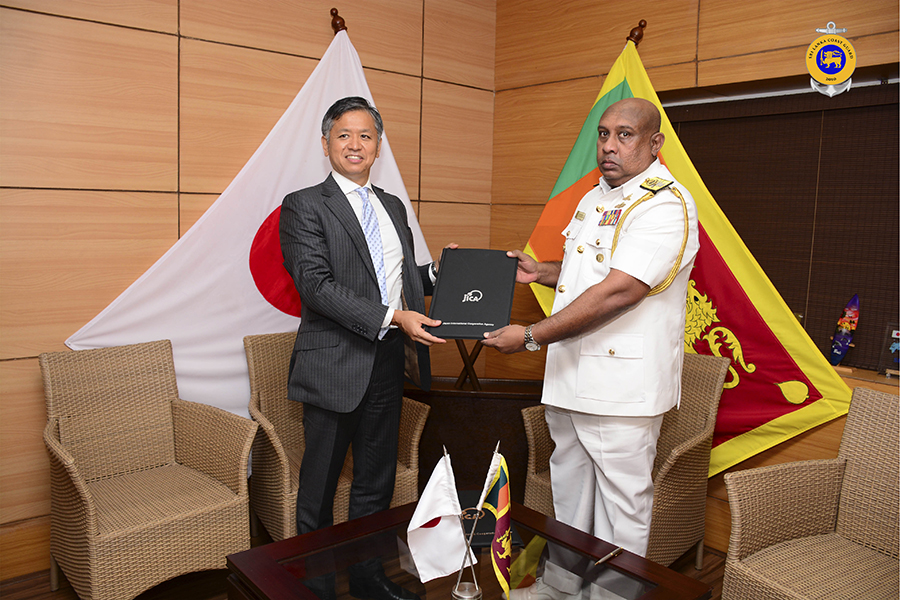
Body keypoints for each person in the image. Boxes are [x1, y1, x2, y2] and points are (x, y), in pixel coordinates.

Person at [482, 98, 699, 600]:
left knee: (623, 505)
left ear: (654, 144)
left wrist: (532, 336)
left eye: (625, 135)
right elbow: (590, 273)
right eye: (603, 135)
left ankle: (613, 597)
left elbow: (621, 290)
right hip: (569, 373)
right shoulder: (596, 196)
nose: (608, 146)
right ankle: (560, 586)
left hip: (620, 387)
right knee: (571, 491)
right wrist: (543, 272)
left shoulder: (664, 203)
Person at [280, 96, 447, 600]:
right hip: (334, 364)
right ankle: (318, 589)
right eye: (344, 135)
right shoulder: (304, 204)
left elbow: (394, 282)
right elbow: (316, 285)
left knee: (374, 483)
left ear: (378, 146)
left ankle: (369, 579)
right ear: (327, 143)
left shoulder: (392, 206)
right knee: (319, 489)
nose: (355, 144)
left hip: (388, 361)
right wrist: (393, 316)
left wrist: (440, 273)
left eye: (366, 136)